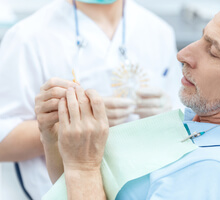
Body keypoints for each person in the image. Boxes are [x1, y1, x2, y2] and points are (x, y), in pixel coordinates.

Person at [38, 0, 220, 199]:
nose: (183, 54)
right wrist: (56, 138)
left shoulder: (215, 173)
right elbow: (73, 188)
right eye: (201, 37)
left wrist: (83, 166)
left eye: (213, 51)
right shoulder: (199, 128)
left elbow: (83, 177)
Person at [0, 0, 182, 199]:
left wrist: (166, 116)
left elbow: (185, 122)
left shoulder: (159, 31)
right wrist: (70, 124)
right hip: (58, 190)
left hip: (143, 191)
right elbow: (3, 141)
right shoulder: (28, 36)